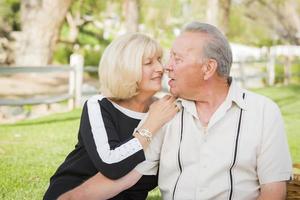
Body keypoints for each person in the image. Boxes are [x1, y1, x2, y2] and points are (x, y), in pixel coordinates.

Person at [59, 22, 293, 200]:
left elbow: (273, 191)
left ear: (208, 68)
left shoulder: (263, 112)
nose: (166, 67)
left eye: (176, 59)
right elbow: (120, 179)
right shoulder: (164, 113)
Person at [43, 33, 179, 200]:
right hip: (74, 191)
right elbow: (111, 164)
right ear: (125, 69)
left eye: (159, 60)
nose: (160, 68)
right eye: (148, 63)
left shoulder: (165, 109)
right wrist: (152, 124)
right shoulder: (99, 105)